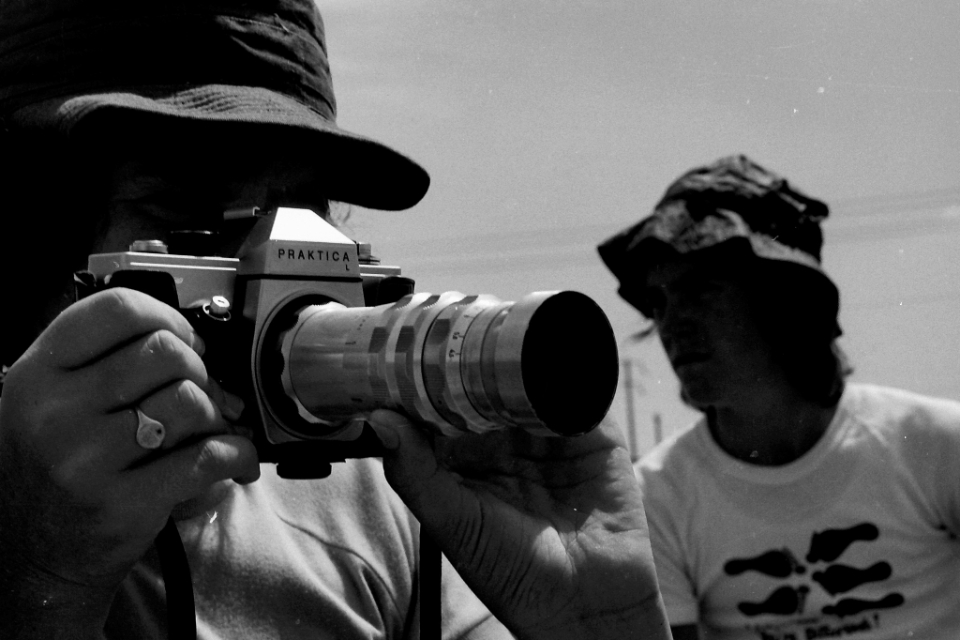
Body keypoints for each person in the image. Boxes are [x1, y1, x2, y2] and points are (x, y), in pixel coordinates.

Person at [0, 1, 670, 638]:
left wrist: (600, 622)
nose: (271, 273)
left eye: (306, 214)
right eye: (191, 220)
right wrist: (43, 580)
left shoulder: (390, 503)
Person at [597, 154, 960, 639]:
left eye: (701, 289)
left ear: (786, 300)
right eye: (659, 301)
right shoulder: (657, 498)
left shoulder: (935, 445)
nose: (671, 323)